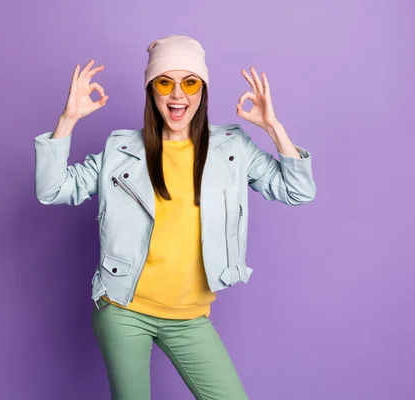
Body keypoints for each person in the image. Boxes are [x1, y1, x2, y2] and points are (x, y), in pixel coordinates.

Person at [34, 34, 316, 400]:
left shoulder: (232, 148)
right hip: (124, 309)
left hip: (189, 317)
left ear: (203, 90)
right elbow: (52, 189)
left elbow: (298, 191)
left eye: (190, 82)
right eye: (165, 82)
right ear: (151, 90)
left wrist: (273, 128)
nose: (177, 95)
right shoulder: (120, 151)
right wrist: (68, 119)